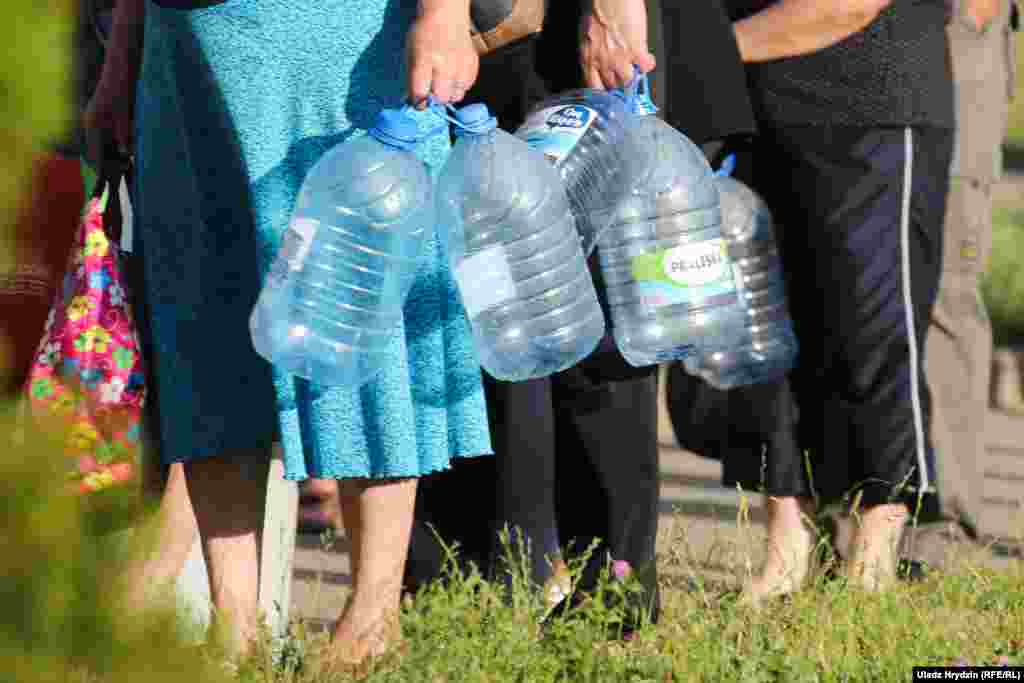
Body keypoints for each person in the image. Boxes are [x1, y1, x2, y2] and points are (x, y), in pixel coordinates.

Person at [85, 0, 494, 665]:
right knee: (206, 330)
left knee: (365, 320)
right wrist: (125, 47)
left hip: (341, 48)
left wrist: (444, 13)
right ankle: (233, 632)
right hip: (185, 52)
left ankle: (372, 620)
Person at [406, 0, 758, 632]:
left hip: (565, 42)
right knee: (487, 317)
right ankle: (484, 592)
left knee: (583, 334)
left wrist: (609, 7)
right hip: (508, 47)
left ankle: (597, 599)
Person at [711, 0, 956, 600]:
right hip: (756, 111)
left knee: (875, 335)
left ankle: (875, 551)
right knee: (765, 338)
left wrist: (705, 49)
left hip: (874, 107)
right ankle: (787, 547)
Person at [906, 0, 1019, 567]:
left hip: (950, 44)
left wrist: (973, 14)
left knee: (943, 296)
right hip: (855, 50)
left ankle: (942, 528)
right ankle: (861, 513)